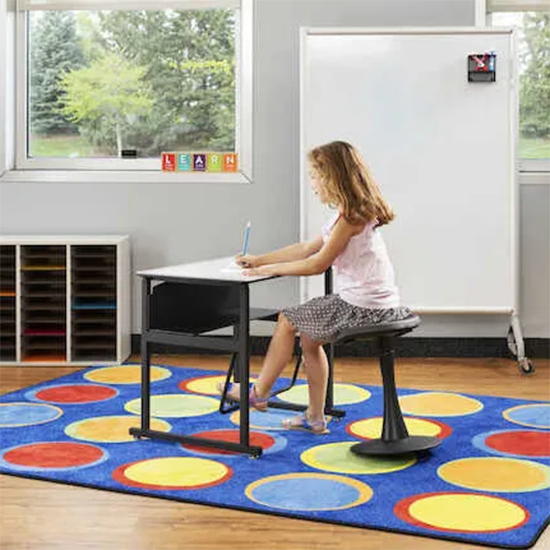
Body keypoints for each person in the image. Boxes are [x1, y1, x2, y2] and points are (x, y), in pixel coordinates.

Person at [224, 141, 411, 434]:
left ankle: (258, 394)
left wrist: (266, 270)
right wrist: (259, 259)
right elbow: (306, 248)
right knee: (310, 341)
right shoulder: (347, 214)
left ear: (331, 177)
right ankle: (314, 416)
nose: (311, 182)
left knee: (287, 319)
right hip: (371, 302)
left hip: (365, 307)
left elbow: (316, 264)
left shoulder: (351, 218)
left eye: (314, 175)